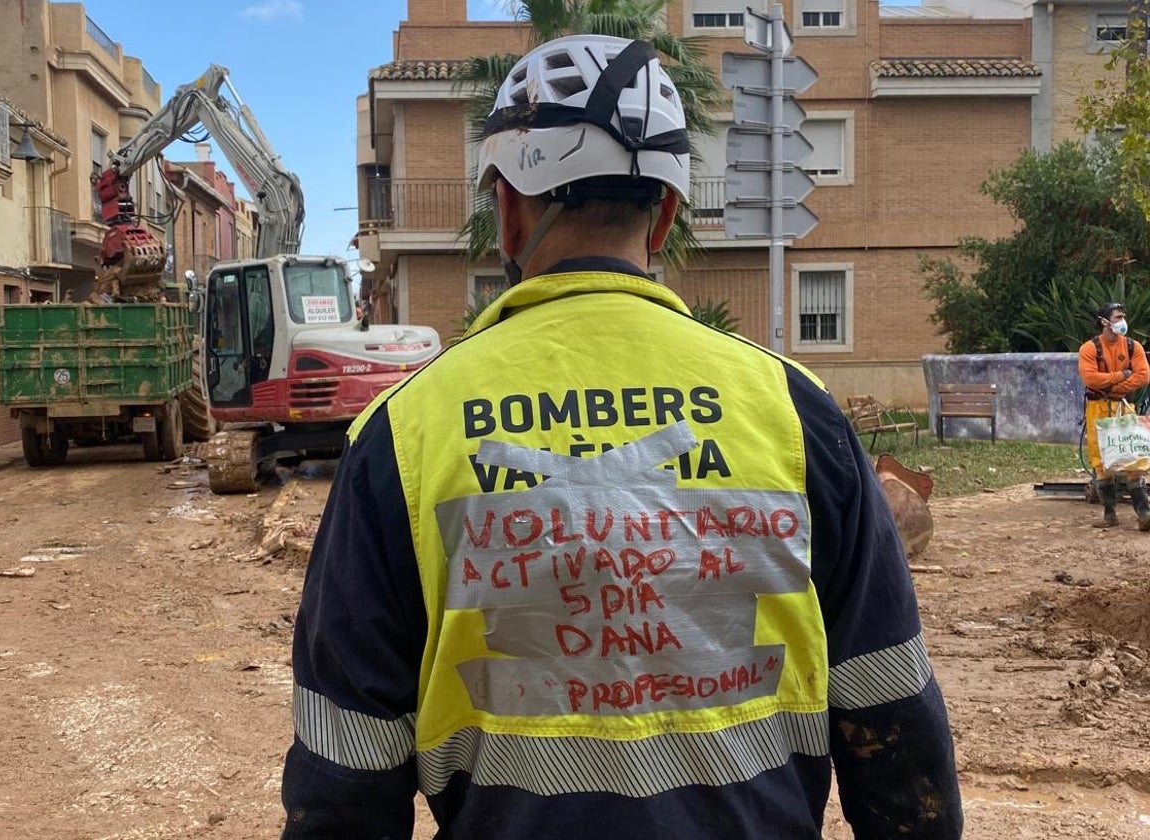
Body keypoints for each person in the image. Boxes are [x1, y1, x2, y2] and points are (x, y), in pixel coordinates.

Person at [281, 34, 962, 840]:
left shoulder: (405, 434)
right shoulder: (793, 411)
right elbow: (895, 736)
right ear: (667, 213)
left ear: (506, 210)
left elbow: (345, 781)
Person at [1078, 301, 1150, 529]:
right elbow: (1091, 379)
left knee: (1132, 456)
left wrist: (1112, 386)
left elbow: (1143, 376)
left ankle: (1144, 513)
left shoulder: (1132, 346)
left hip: (1124, 406)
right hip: (1097, 408)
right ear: (1104, 322)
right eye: (1118, 317)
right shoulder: (1089, 349)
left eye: (1122, 316)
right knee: (1101, 461)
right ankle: (1110, 514)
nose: (1122, 321)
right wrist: (1121, 376)